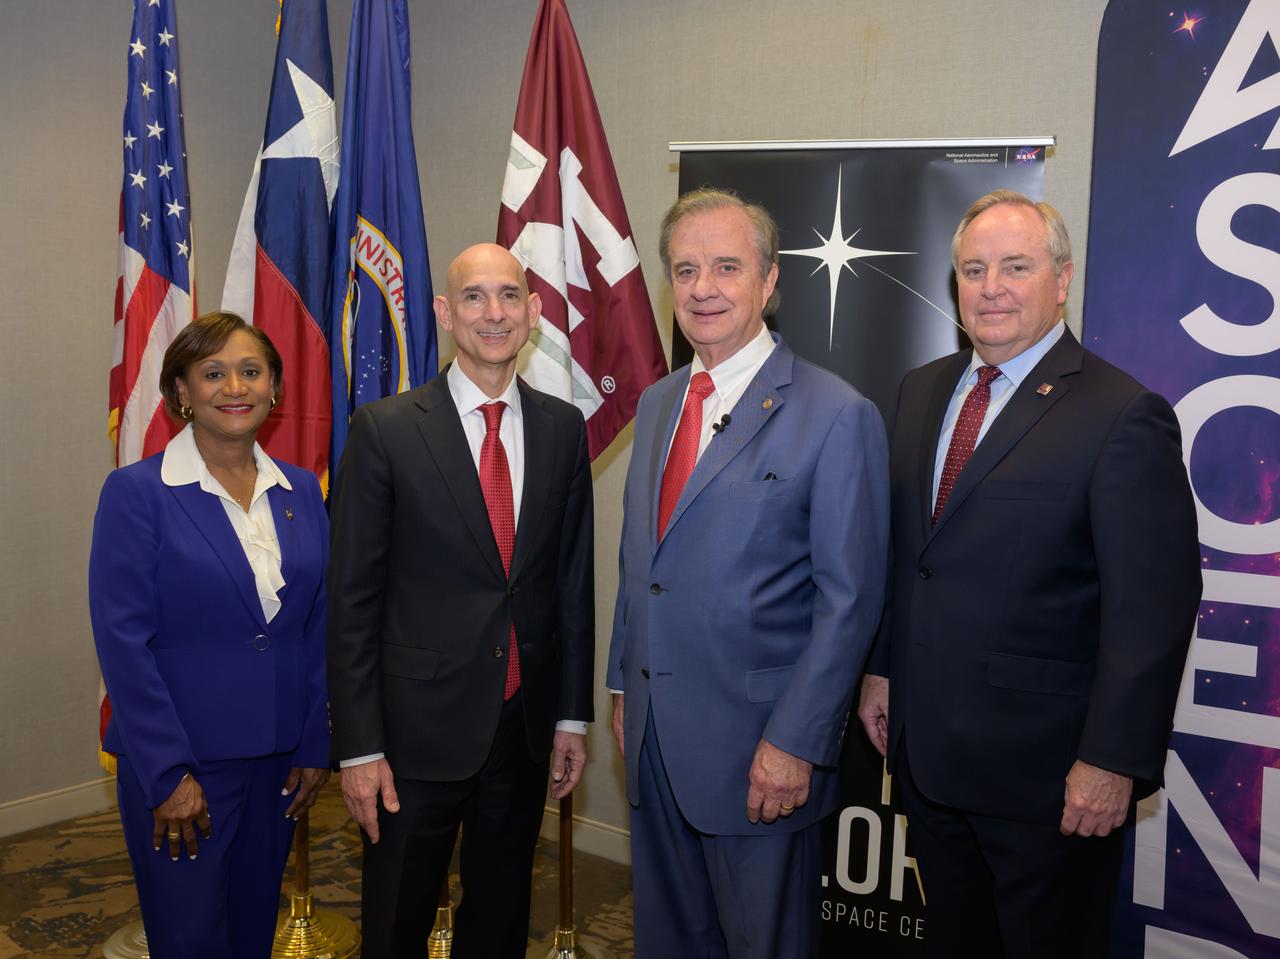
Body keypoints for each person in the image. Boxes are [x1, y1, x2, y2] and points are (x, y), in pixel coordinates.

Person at [857, 190, 1201, 957]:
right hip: (930, 758)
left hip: (1048, 783)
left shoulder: (1122, 413)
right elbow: (913, 556)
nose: (991, 287)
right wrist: (882, 670)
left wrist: (1113, 758)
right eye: (973, 269)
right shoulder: (921, 390)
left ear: (1063, 278)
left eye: (1016, 266)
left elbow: (1153, 608)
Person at [607, 188, 889, 958]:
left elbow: (849, 600)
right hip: (656, 738)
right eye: (687, 269)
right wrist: (624, 685)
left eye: (727, 266)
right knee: (669, 940)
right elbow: (643, 562)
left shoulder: (836, 414)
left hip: (760, 749)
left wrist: (795, 741)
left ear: (769, 283)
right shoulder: (662, 401)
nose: (704, 287)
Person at [326, 243, 595, 958]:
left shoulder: (564, 429)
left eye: (509, 295)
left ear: (535, 313)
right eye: (473, 297)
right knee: (395, 922)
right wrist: (359, 746)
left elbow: (569, 583)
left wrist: (570, 714)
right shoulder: (384, 431)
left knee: (501, 917)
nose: (494, 312)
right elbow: (351, 601)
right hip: (412, 738)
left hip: (521, 725)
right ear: (445, 313)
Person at [88, 312, 331, 959]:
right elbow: (123, 643)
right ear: (181, 392)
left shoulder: (301, 491)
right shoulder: (137, 494)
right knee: (191, 937)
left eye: (251, 371)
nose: (235, 386)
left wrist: (314, 739)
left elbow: (315, 623)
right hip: (186, 767)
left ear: (274, 388)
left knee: (253, 929)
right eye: (213, 372)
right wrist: (167, 773)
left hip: (278, 761)